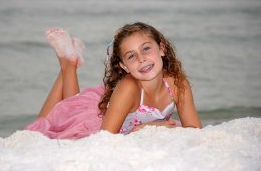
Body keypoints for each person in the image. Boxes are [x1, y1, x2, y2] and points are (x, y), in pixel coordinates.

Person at [26, 22, 202, 139]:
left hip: (114, 111)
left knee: (71, 107)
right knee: (48, 122)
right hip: (102, 124)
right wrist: (149, 128)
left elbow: (195, 129)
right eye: (131, 56)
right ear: (125, 67)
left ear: (161, 48)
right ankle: (68, 65)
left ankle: (69, 62)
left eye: (146, 48)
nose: (141, 59)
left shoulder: (178, 83)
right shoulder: (129, 87)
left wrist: (156, 127)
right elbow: (106, 139)